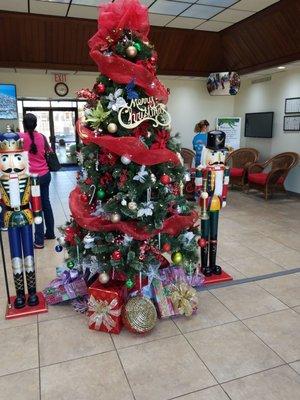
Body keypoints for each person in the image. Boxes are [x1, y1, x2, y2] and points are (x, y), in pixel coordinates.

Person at [20, 113, 55, 248]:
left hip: (32, 178)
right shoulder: (42, 137)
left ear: (24, 124)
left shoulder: (21, 137)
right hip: (45, 175)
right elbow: (49, 150)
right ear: (35, 124)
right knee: (46, 204)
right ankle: (50, 233)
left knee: (36, 207)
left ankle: (39, 241)